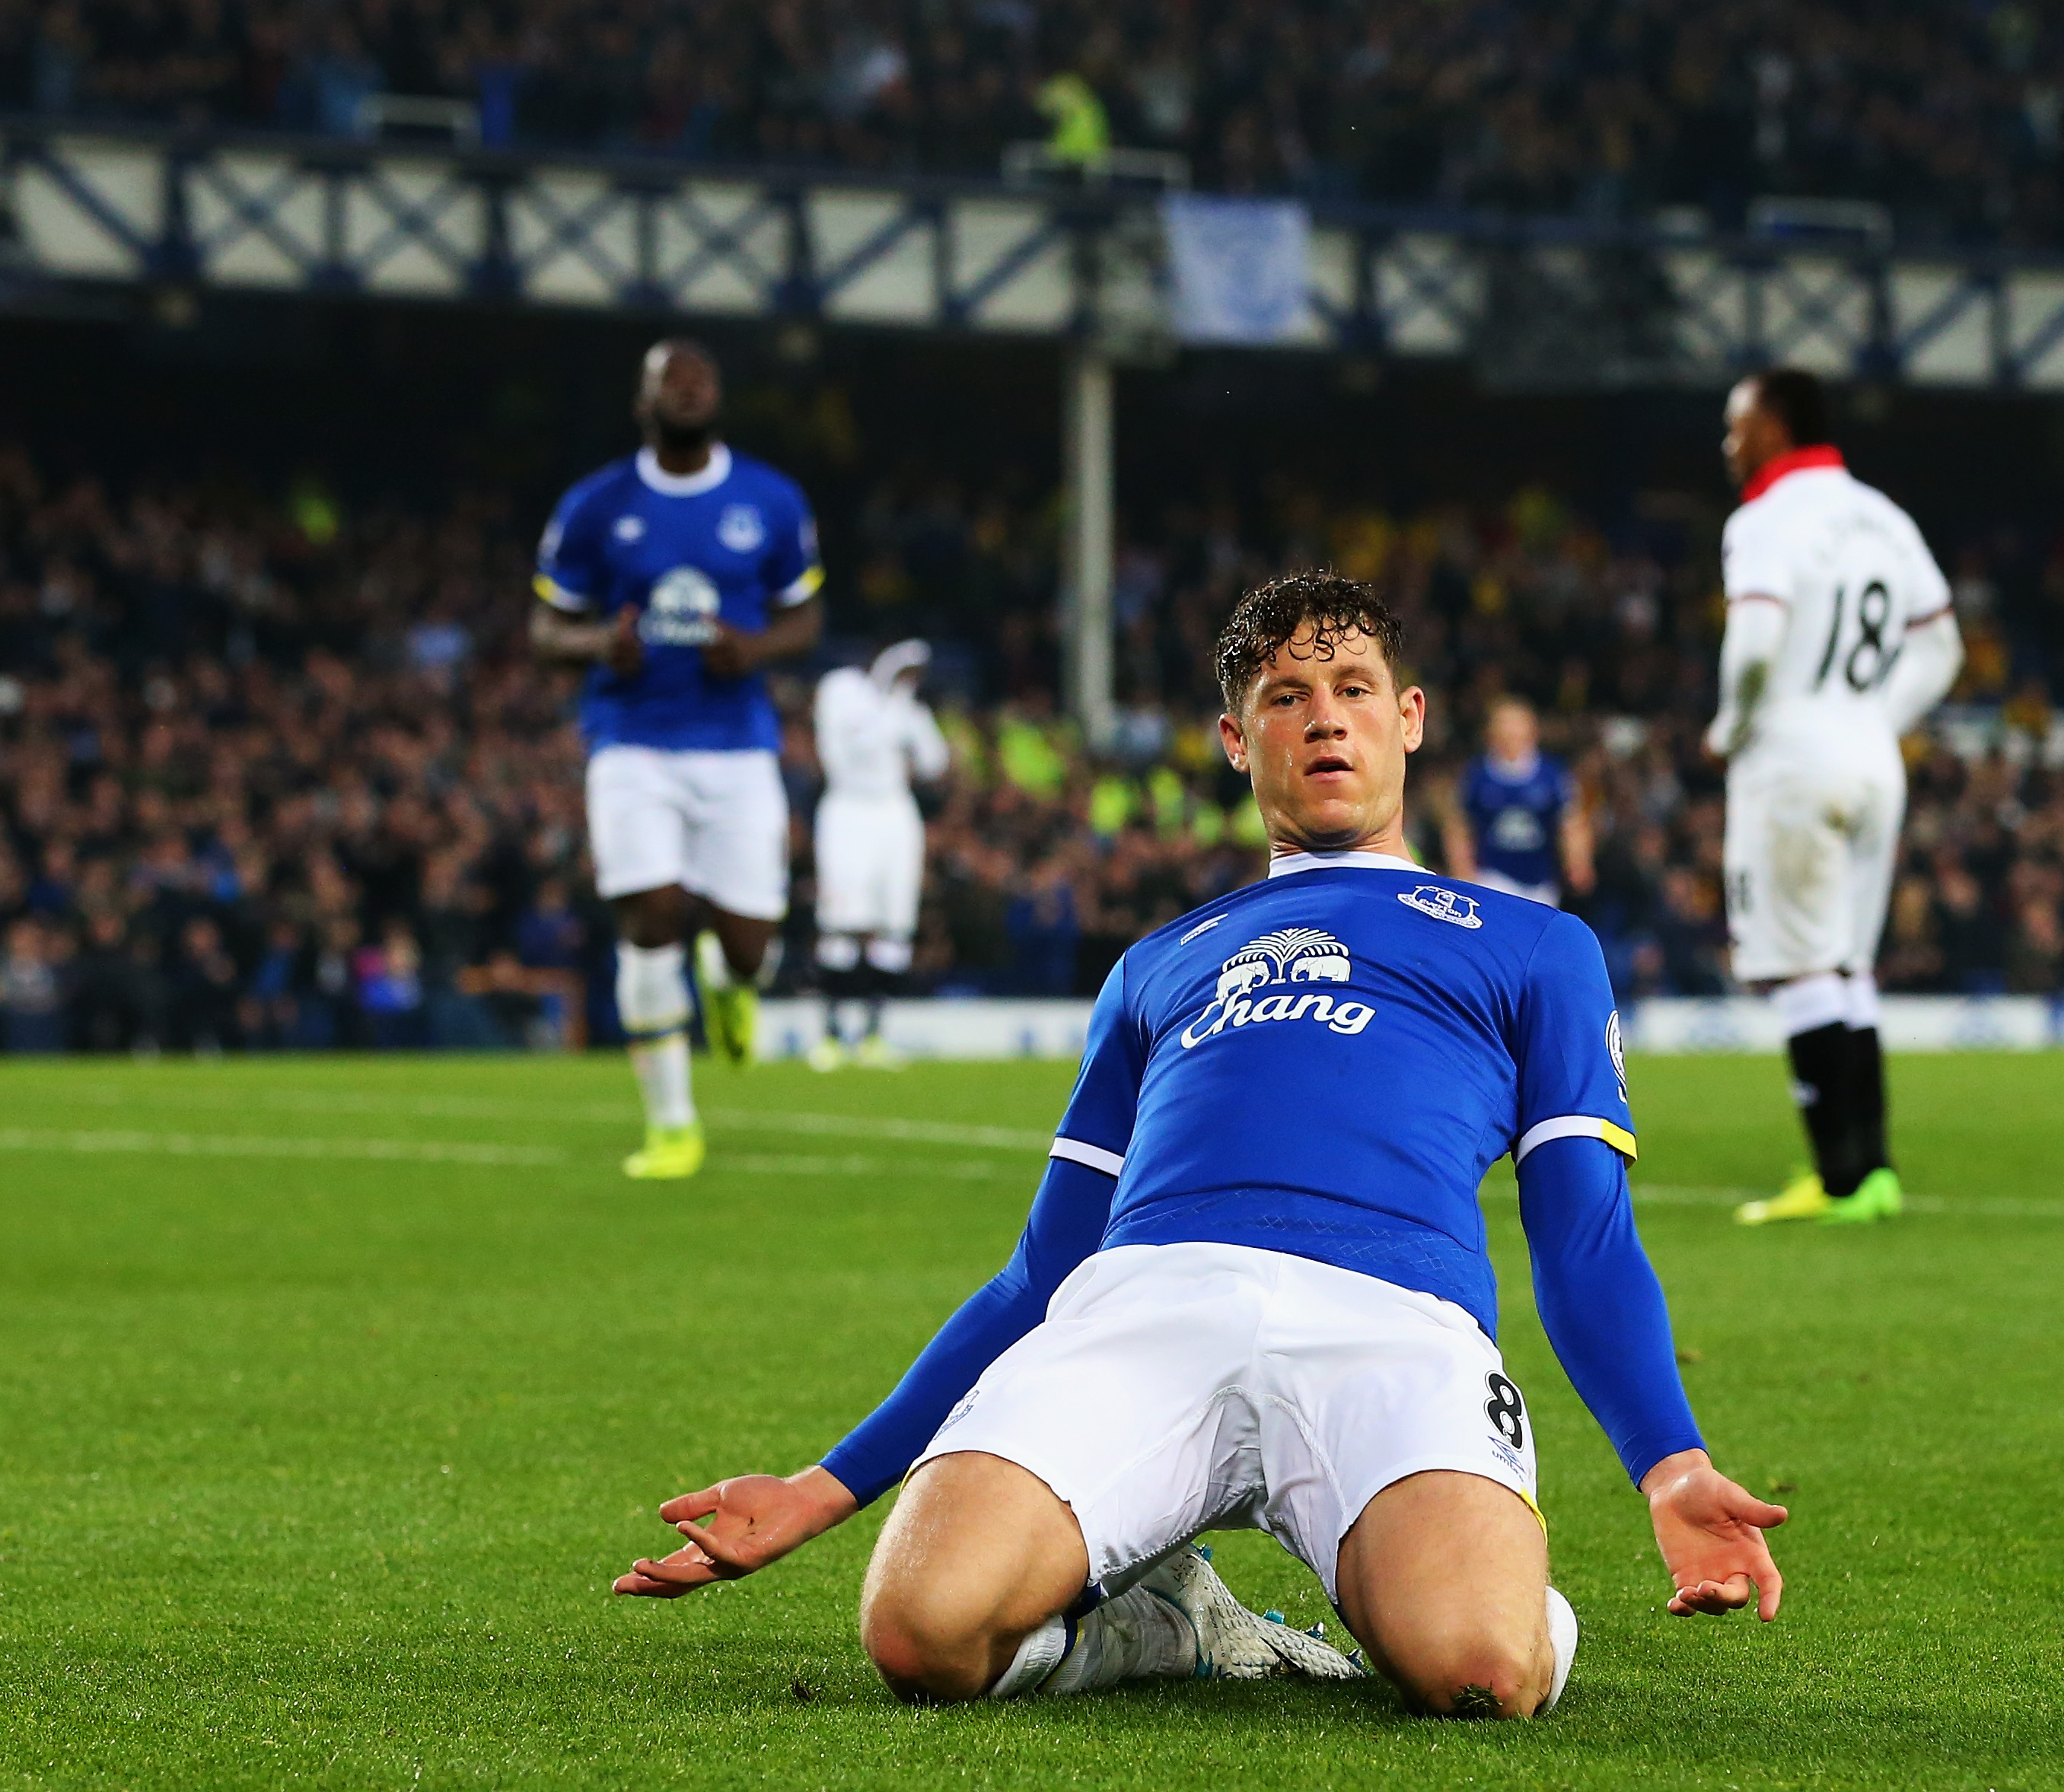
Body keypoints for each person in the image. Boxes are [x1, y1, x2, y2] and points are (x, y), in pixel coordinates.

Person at [611, 572, 1786, 1718]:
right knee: (919, 1630)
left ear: (1409, 718)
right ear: (1236, 736)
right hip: (1144, 1308)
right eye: (1284, 695)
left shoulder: (1534, 944)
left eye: (1356, 688)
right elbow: (1039, 1271)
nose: (1323, 714)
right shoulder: (1157, 962)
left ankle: (1498, 1590)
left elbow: (1582, 1233)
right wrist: (824, 1487)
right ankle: (1159, 1626)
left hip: (1388, 1322)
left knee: (1480, 1669)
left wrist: (1669, 1463)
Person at [530, 338, 823, 1177]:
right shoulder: (596, 505)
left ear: (718, 398)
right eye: (672, 381)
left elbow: (803, 615)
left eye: (702, 380)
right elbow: (544, 626)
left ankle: (731, 984)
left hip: (737, 745)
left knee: (747, 941)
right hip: (631, 740)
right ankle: (671, 1126)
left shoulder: (769, 499)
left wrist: (757, 649)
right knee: (650, 913)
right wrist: (596, 643)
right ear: (644, 402)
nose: (690, 391)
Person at [1702, 369, 1963, 1228]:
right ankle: (1874, 1172)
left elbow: (1753, 644)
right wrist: (1870, 718)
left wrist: (1736, 724)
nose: (1730, 443)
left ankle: (1839, 1179)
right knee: (1848, 963)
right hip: (1871, 752)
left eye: (1738, 426)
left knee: (1805, 967)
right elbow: (1943, 646)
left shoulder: (1767, 520)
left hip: (1793, 756)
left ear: (1775, 426)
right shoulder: (1885, 516)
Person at [807, 639, 951, 1071]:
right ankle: (831, 1035)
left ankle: (873, 1035)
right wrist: (895, 717)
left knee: (893, 925)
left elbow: (934, 763)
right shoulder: (843, 689)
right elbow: (852, 745)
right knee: (842, 923)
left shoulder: (906, 710)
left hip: (894, 812)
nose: (909, 680)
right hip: (848, 810)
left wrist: (912, 719)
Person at [1439, 695, 1593, 907]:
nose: (1511, 733)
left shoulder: (1552, 776)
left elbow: (1571, 822)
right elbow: (1459, 826)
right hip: (1492, 876)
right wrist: (1462, 870)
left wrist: (1578, 862)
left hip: (1541, 880)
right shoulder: (1477, 776)